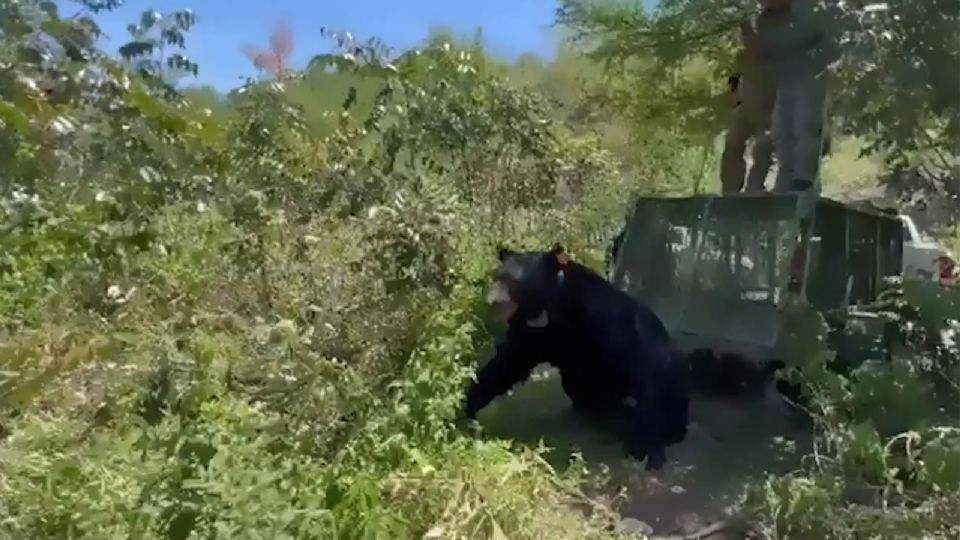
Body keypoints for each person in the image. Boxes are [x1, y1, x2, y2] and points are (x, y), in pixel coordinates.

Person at [754, 0, 842, 195]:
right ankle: (785, 181)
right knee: (782, 129)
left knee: (807, 122)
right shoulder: (764, 23)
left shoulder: (810, 8)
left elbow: (832, 36)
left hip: (815, 71)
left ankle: (804, 181)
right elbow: (766, 53)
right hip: (786, 77)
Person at [720, 18, 777, 194]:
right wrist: (732, 93)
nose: (747, 39)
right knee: (732, 141)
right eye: (744, 35)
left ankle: (755, 188)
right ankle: (730, 190)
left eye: (750, 34)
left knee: (762, 147)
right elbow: (735, 77)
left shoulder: (775, 57)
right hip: (746, 110)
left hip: (768, 112)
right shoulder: (742, 57)